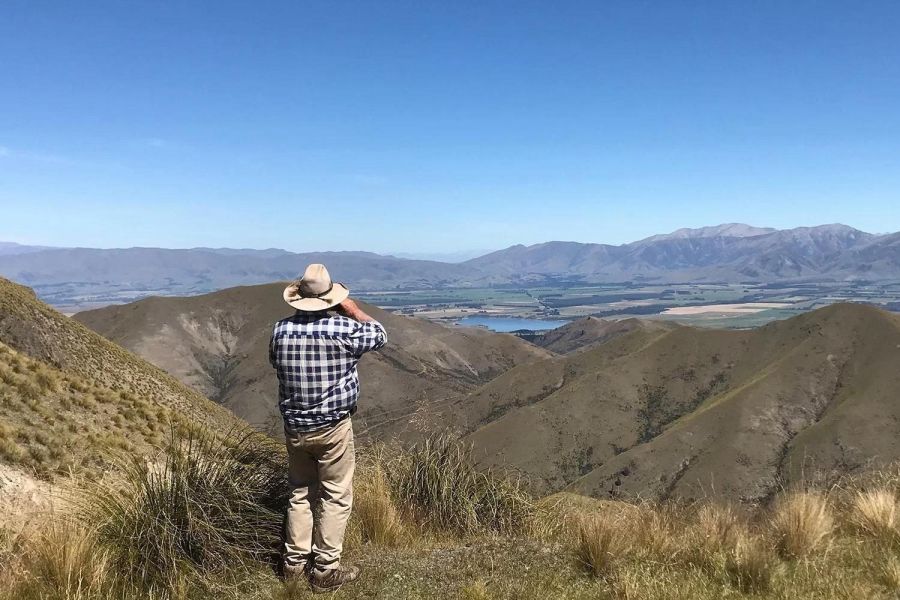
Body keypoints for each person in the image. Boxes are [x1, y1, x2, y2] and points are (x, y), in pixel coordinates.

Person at [269, 263, 387, 593]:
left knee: (300, 493)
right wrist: (352, 309)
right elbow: (380, 335)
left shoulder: (280, 331)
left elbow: (274, 362)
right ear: (331, 299)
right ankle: (324, 570)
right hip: (333, 428)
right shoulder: (342, 329)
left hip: (295, 427)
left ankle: (293, 566)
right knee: (335, 496)